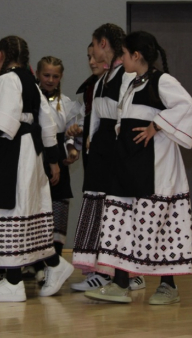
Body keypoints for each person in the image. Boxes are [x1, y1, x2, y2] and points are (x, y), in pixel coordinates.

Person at [84, 31, 192, 304]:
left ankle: (168, 286)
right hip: (127, 162)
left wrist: (155, 125)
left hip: (155, 167)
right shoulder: (131, 82)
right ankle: (120, 283)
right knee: (119, 222)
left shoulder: (163, 81)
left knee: (158, 224)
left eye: (123, 54)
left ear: (136, 56)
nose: (120, 59)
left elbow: (188, 108)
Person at [0, 36, 74, 302]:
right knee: (28, 214)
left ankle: (13, 282)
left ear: (1, 55)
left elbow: (1, 123)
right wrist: (52, 160)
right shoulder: (30, 82)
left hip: (13, 152)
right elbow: (47, 125)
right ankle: (56, 265)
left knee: (11, 211)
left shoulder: (7, 80)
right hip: (31, 153)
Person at [69, 24, 144, 292]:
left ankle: (128, 274)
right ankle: (102, 271)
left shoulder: (125, 73)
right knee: (99, 209)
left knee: (117, 212)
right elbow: (97, 114)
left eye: (94, 45)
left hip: (116, 150)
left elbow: (125, 112)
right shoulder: (103, 77)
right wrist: (89, 138)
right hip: (100, 151)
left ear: (103, 43)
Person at [26, 56, 81, 285]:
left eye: (55, 76)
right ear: (38, 74)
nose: (50, 80)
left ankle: (55, 262)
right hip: (35, 156)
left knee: (57, 210)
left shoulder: (67, 103)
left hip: (57, 157)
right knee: (35, 210)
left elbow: (71, 134)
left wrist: (72, 150)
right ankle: (36, 264)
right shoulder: (29, 100)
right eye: (46, 75)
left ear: (61, 77)